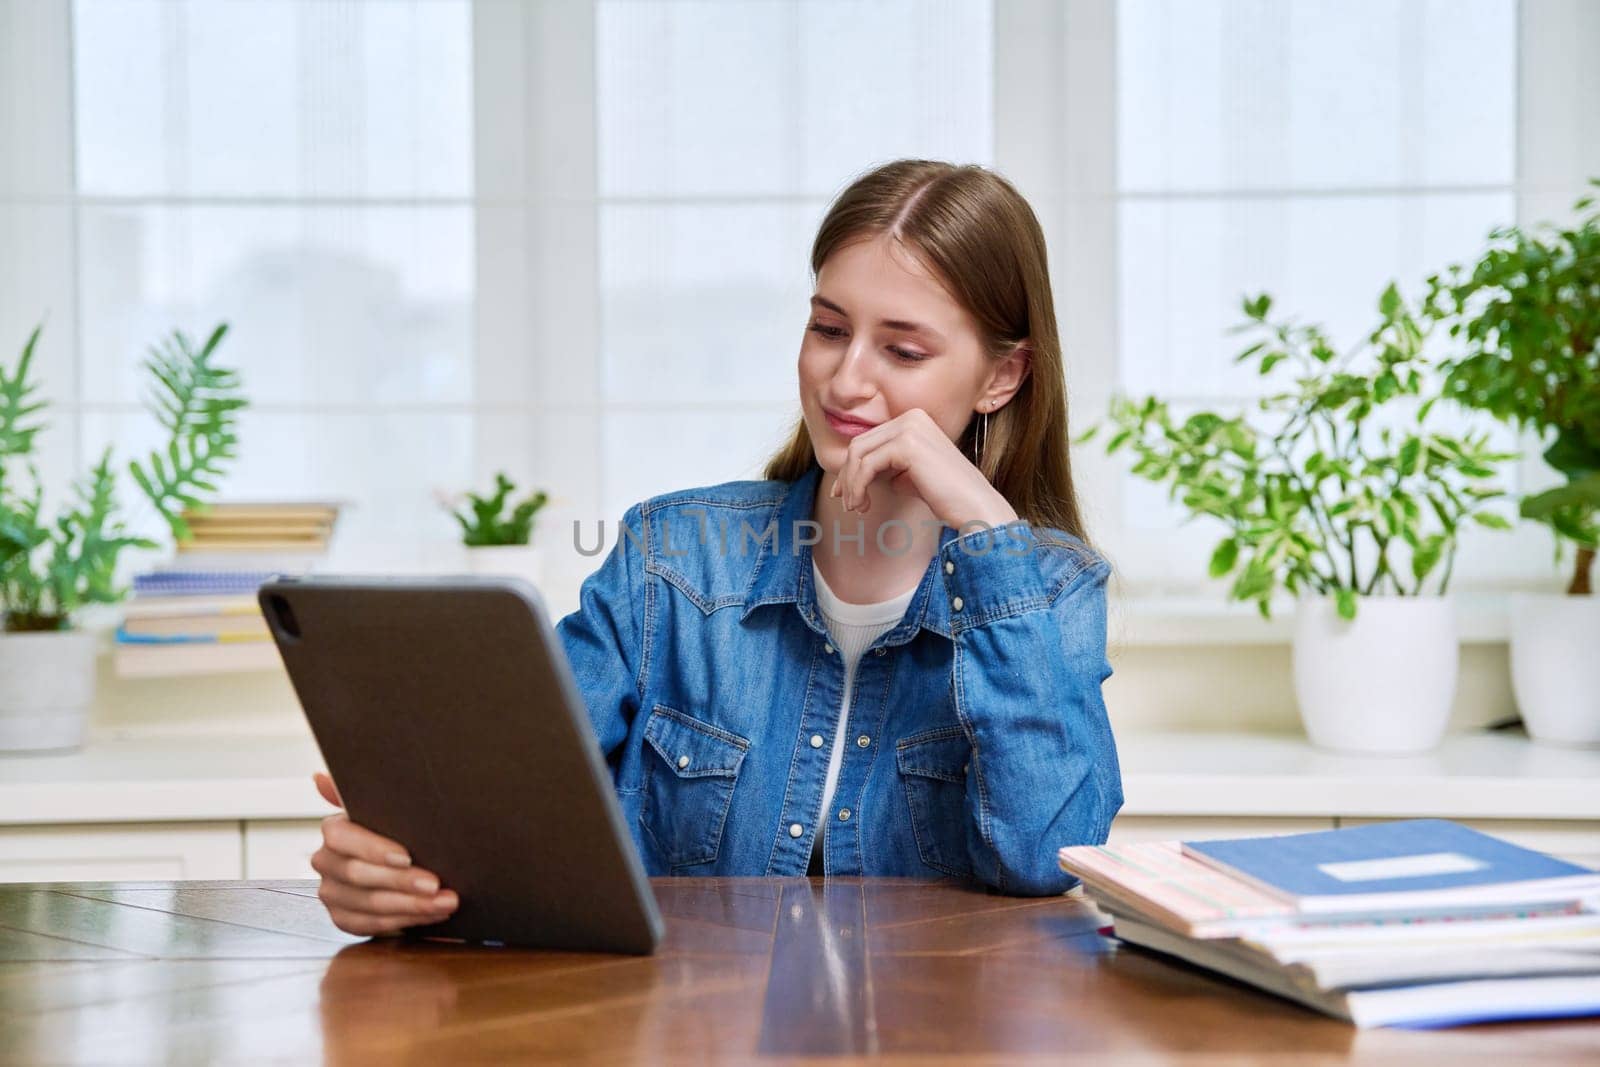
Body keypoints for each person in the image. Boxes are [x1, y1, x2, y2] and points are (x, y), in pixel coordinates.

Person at [309, 159, 1123, 937]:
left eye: (903, 350)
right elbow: (502, 815)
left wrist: (988, 527)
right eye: (828, 329)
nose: (844, 381)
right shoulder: (670, 560)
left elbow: (1042, 858)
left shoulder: (1052, 591)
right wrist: (396, 877)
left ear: (1001, 377)